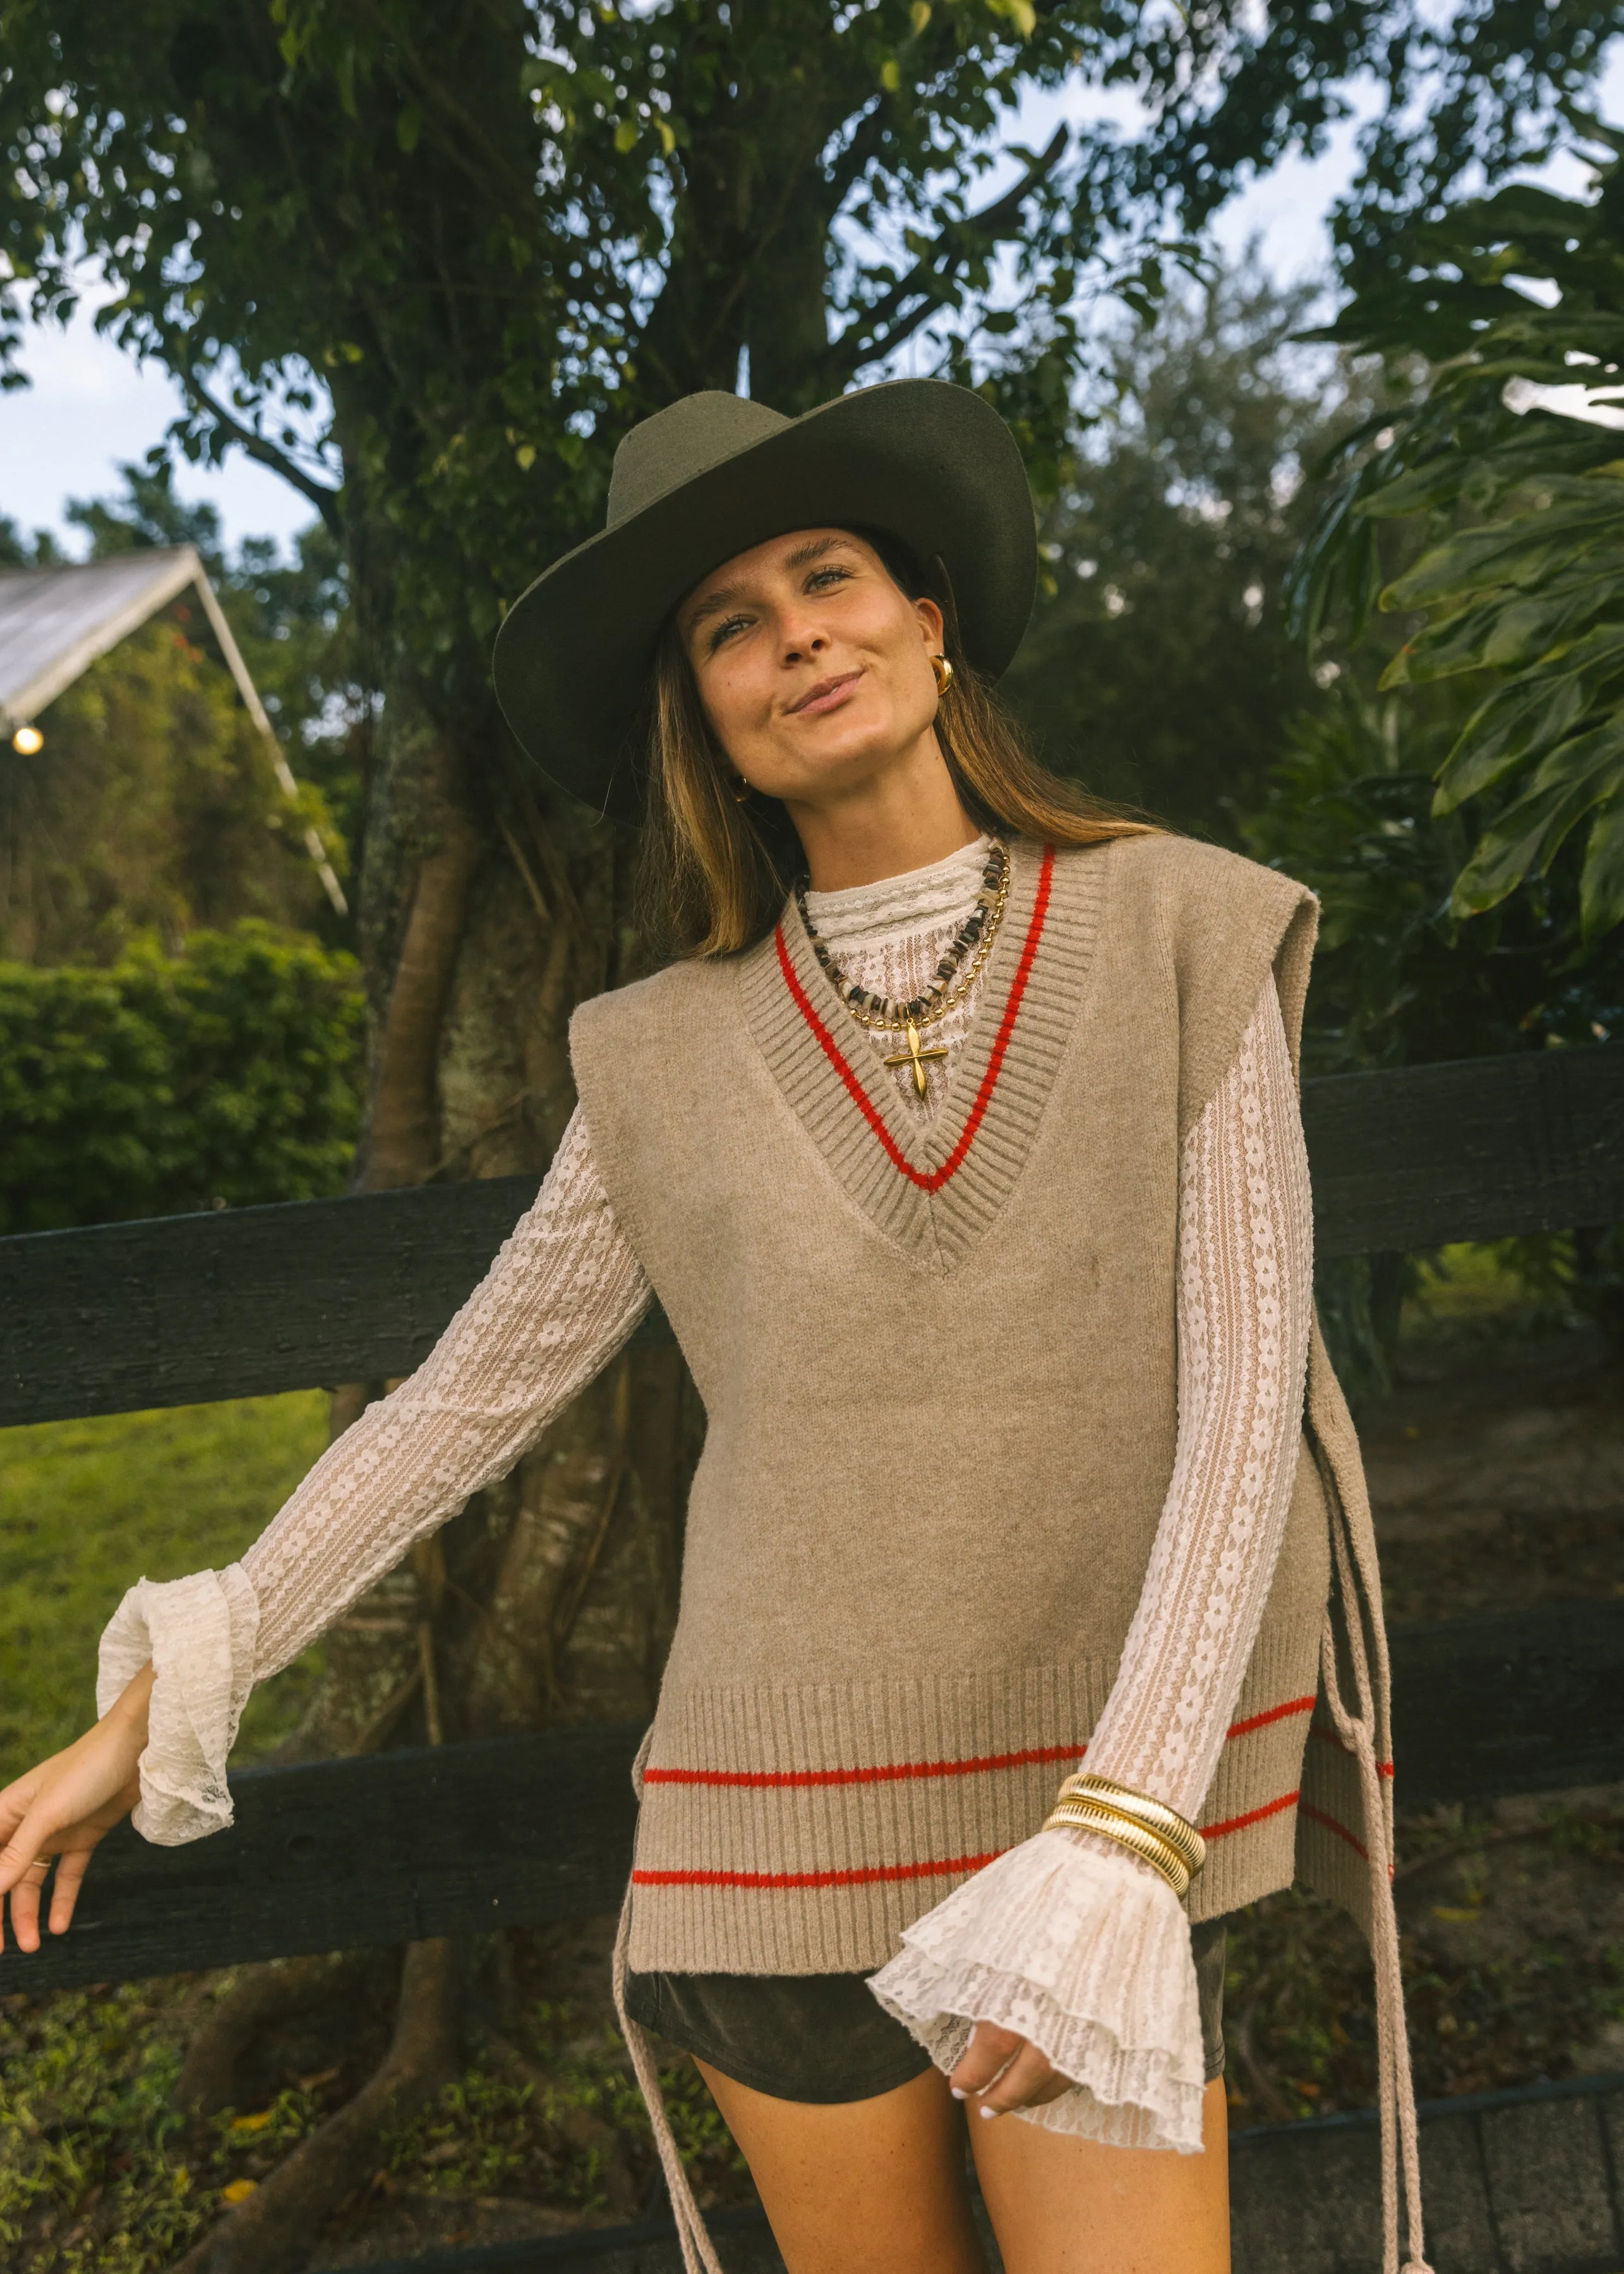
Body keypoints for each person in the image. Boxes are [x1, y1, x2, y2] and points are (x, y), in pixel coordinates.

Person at [0, 382, 1432, 2274]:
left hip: (1083, 1821)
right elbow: (468, 1396)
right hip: (768, 1852)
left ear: (928, 619)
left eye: (827, 577)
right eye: (729, 628)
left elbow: (1249, 1394)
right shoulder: (657, 1056)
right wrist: (177, 1685)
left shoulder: (1191, 929)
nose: (795, 639)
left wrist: (1124, 1830)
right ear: (711, 723)